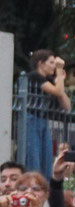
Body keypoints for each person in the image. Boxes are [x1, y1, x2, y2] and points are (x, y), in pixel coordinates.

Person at [25, 49, 70, 179]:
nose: (54, 66)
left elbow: (66, 105)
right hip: (31, 119)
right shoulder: (34, 76)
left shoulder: (49, 79)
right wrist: (60, 73)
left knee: (46, 159)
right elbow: (56, 91)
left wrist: (59, 77)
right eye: (51, 62)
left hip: (43, 120)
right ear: (41, 63)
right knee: (34, 159)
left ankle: (45, 189)